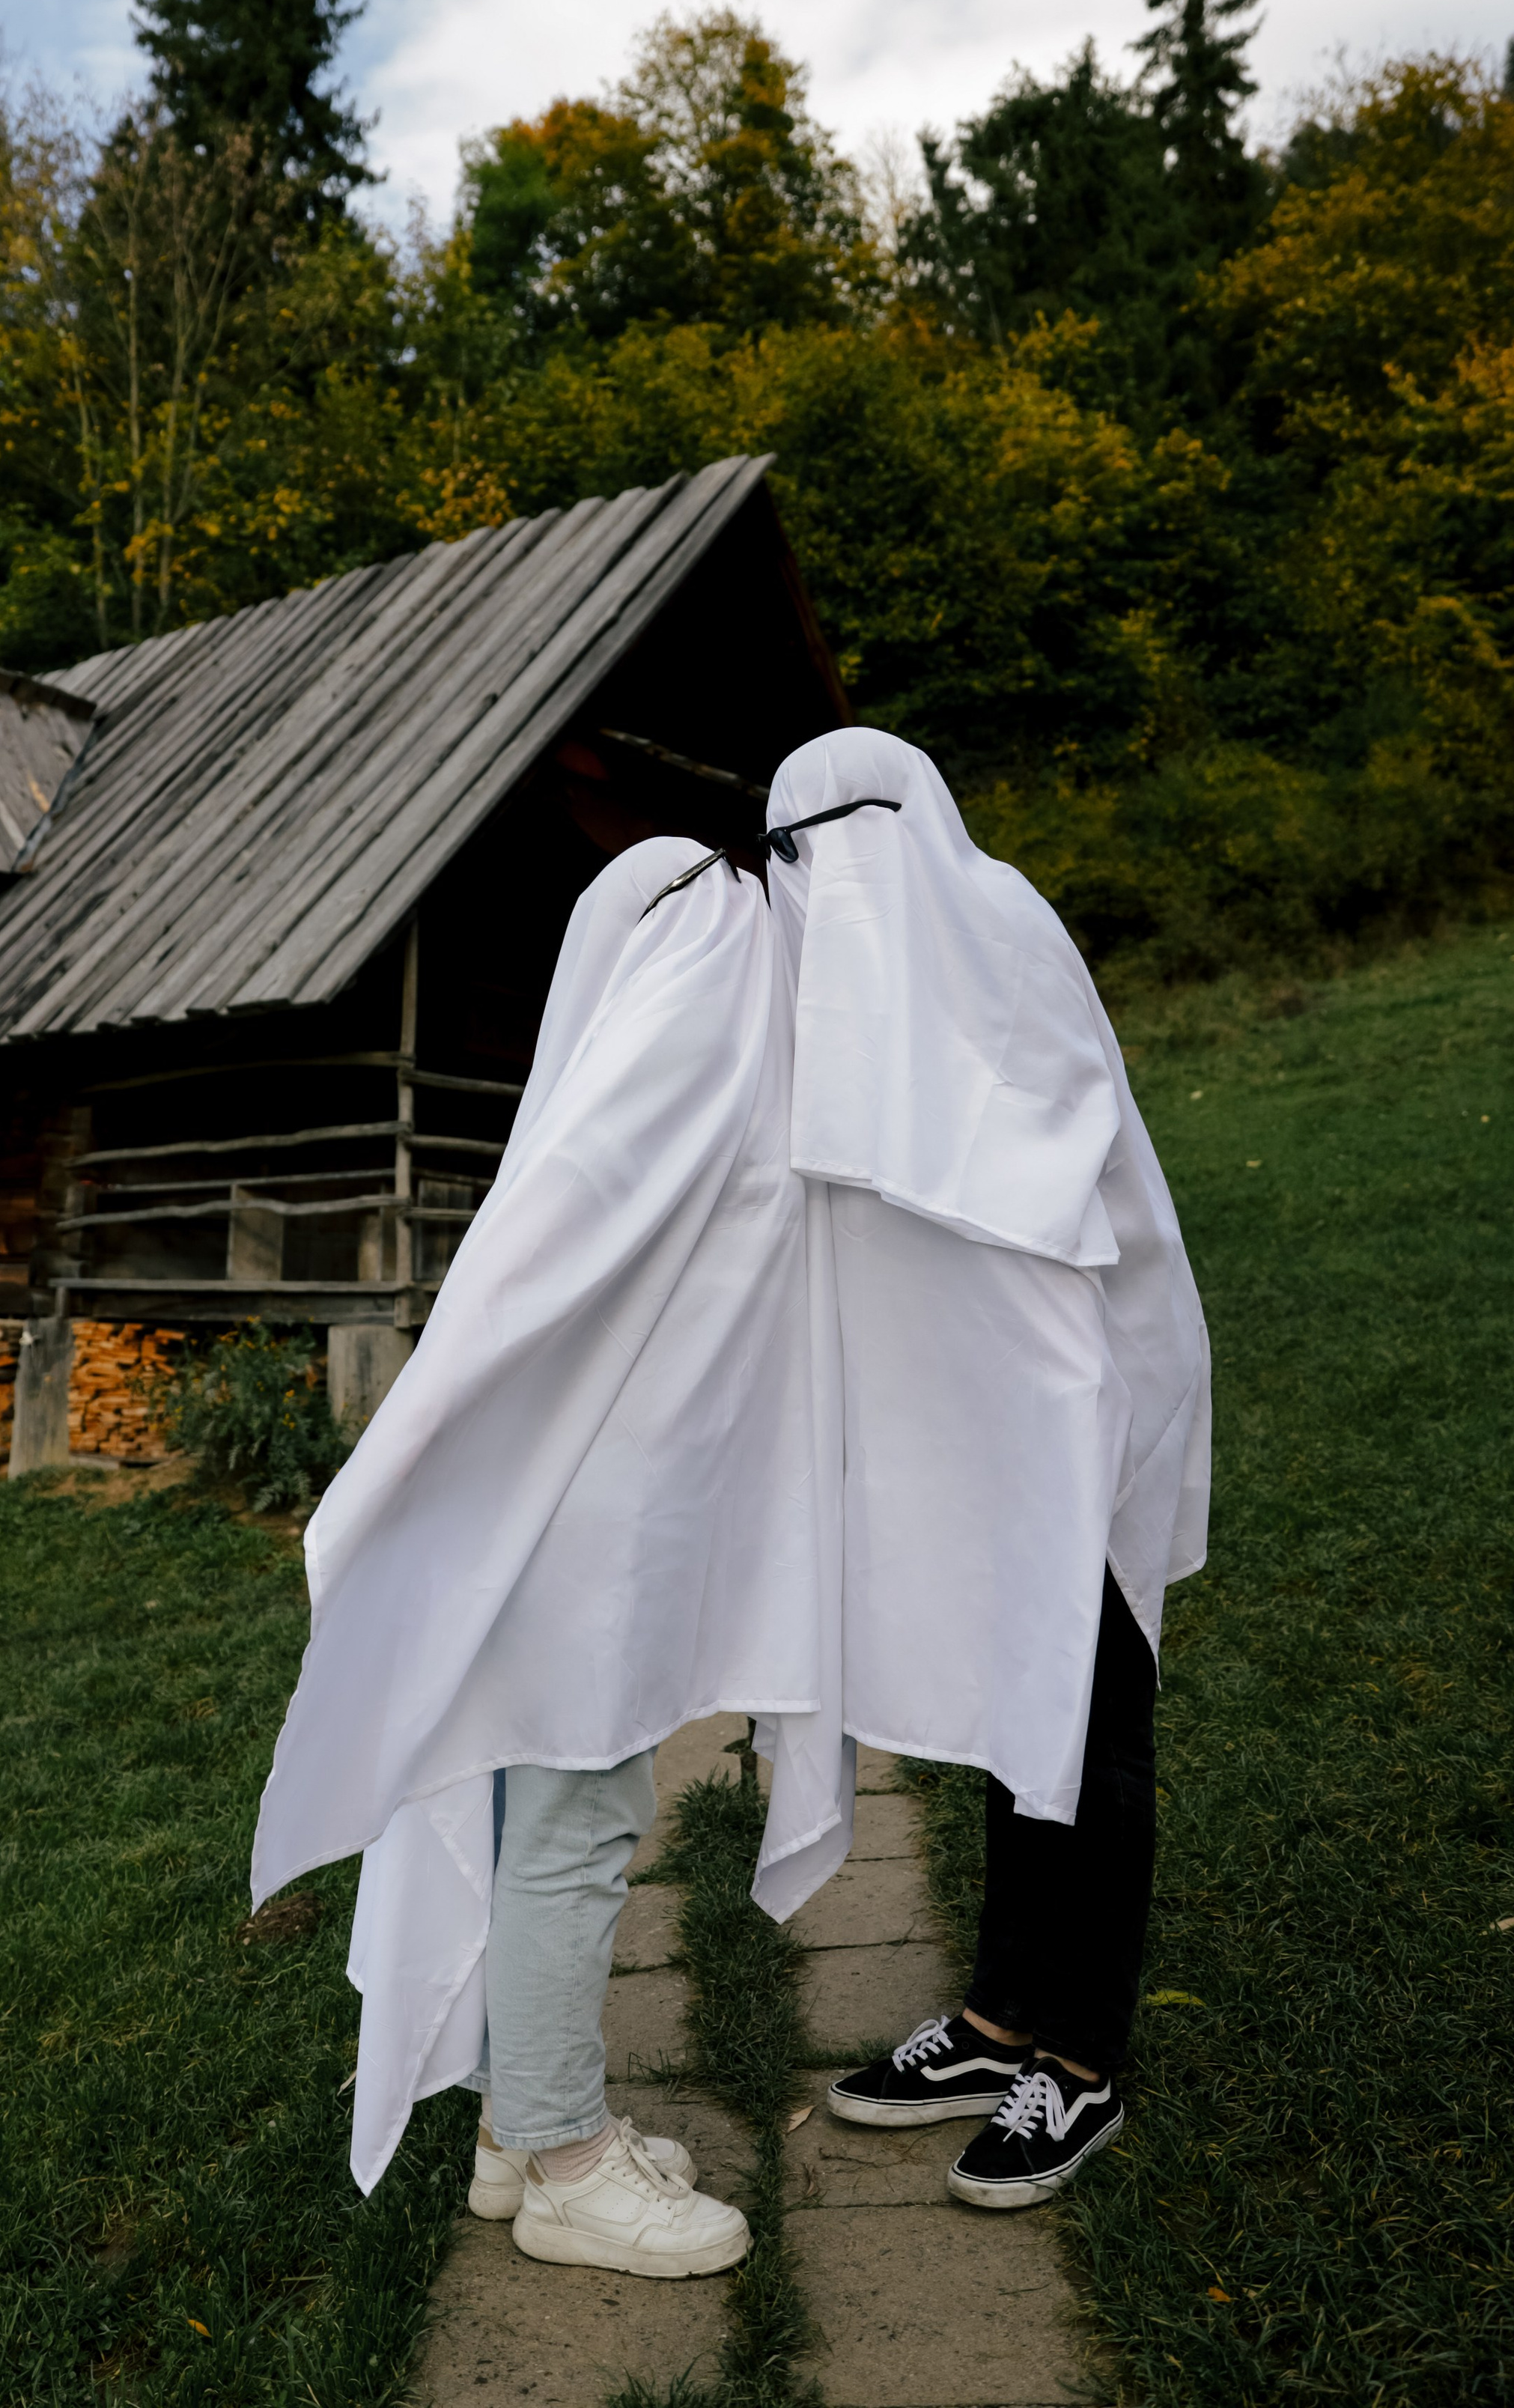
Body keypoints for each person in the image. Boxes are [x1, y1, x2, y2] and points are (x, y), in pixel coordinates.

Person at [249, 836, 848, 2274]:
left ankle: (521, 2135)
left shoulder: (632, 1055)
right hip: (587, 1515)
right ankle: (572, 2160)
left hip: (586, 1502)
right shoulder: (688, 1012)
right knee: (574, 1817)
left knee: (551, 1810)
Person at [761, 727, 1211, 2211]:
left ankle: (1076, 2064)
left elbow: (1037, 1151)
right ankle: (1000, 2016)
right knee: (1004, 1705)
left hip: (1076, 1385)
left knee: (1086, 1709)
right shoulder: (821, 970)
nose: (834, 879)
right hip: (959, 1406)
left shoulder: (995, 920)